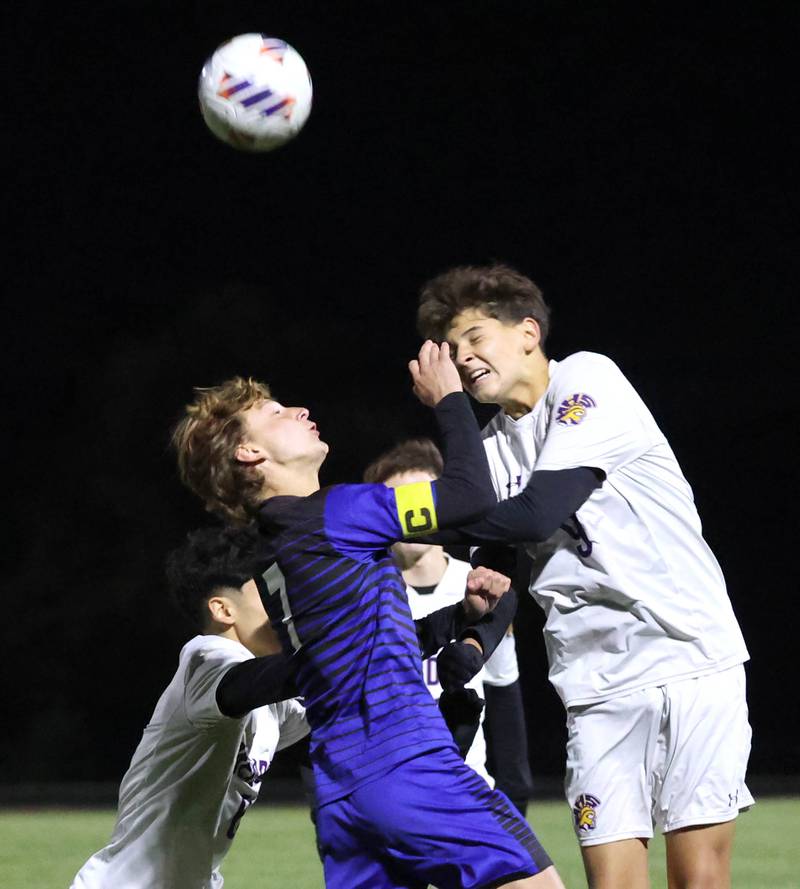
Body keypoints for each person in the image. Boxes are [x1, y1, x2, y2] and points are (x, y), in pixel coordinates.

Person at [171, 343, 566, 889]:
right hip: (408, 762)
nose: (300, 412)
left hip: (341, 793)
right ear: (247, 454)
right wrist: (449, 398)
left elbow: (349, 650)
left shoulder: (272, 560)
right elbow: (471, 495)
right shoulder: (338, 512)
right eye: (277, 414)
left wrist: (457, 619)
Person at [416, 263, 753, 889]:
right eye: (451, 349)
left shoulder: (587, 380)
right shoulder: (491, 450)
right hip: (594, 686)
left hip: (689, 658)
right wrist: (472, 635)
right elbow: (499, 575)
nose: (461, 358)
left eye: (474, 338)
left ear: (527, 332)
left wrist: (374, 518)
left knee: (699, 878)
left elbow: (534, 513)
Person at [71, 524, 309, 889]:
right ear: (223, 609)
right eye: (269, 591)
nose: (285, 603)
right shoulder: (208, 658)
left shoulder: (270, 702)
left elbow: (330, 696)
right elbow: (251, 683)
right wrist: (335, 649)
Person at [364, 436, 533, 814]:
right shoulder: (364, 594)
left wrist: (515, 794)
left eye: (422, 498)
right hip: (386, 800)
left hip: (468, 794)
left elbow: (504, 695)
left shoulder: (483, 584)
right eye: (398, 502)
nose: (413, 512)